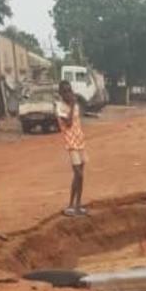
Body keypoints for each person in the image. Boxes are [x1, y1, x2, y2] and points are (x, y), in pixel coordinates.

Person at [56, 80, 88, 216]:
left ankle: (75, 205)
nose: (68, 94)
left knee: (78, 176)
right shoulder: (60, 107)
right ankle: (74, 205)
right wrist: (73, 103)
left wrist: (75, 104)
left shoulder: (75, 106)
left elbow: (77, 122)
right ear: (61, 94)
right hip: (71, 144)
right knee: (79, 175)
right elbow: (68, 123)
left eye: (69, 90)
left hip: (80, 141)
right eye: (65, 91)